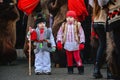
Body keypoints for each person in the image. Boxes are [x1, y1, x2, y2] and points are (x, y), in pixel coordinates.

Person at [56, 10, 85, 75]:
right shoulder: (64, 25)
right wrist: (59, 41)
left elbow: (81, 34)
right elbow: (59, 34)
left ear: (74, 18)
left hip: (75, 44)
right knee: (69, 57)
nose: (69, 19)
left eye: (71, 17)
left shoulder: (78, 25)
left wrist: (82, 42)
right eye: (68, 17)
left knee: (77, 57)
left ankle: (80, 67)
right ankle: (70, 69)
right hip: (67, 44)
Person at [89, 0, 110, 79]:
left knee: (102, 45)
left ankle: (96, 69)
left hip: (96, 21)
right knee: (109, 46)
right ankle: (110, 70)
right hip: (104, 21)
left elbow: (91, 4)